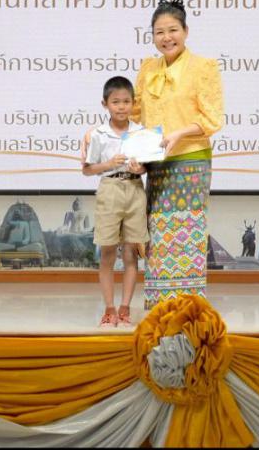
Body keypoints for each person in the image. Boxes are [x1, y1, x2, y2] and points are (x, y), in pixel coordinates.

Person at [132, 0, 223, 309]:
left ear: (185, 31)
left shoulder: (204, 67)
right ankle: (160, 310)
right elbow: (136, 116)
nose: (166, 37)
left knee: (187, 236)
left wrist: (179, 133)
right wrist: (134, 152)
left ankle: (187, 309)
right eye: (159, 32)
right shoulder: (148, 68)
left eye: (173, 30)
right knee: (157, 237)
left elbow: (212, 119)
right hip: (156, 164)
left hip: (190, 161)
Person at [82, 76, 149, 328]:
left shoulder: (141, 132)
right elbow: (87, 169)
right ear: (105, 104)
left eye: (126, 102)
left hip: (135, 189)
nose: (121, 107)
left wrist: (140, 168)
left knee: (131, 253)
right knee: (108, 252)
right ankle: (109, 309)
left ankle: (125, 308)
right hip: (109, 189)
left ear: (133, 103)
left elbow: (146, 166)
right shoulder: (98, 135)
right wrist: (109, 164)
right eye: (115, 102)